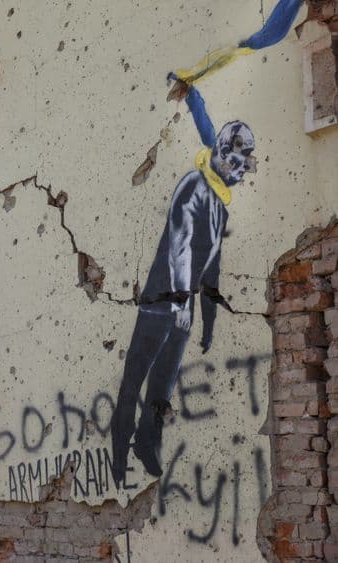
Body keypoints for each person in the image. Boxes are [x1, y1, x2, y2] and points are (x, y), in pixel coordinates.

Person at [110, 83, 257, 484]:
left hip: (183, 313)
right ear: (224, 155)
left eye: (246, 162)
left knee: (160, 394)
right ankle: (119, 455)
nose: (242, 169)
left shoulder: (220, 208)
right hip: (160, 305)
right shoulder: (192, 186)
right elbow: (179, 245)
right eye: (238, 160)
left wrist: (208, 320)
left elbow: (211, 268)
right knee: (133, 384)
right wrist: (179, 302)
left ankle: (146, 443)